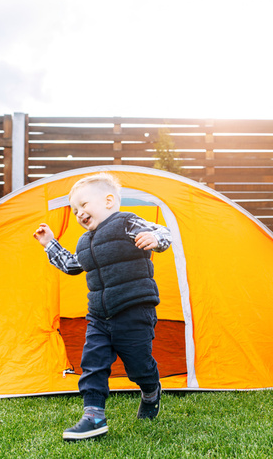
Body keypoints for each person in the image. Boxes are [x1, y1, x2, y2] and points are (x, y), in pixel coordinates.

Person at [33, 172, 172, 440]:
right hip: (98, 316)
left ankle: (151, 389)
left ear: (109, 201)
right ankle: (93, 415)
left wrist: (156, 240)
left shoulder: (126, 223)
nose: (79, 214)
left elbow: (161, 231)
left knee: (138, 366)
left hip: (133, 310)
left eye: (84, 205)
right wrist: (50, 244)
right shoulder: (85, 241)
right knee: (93, 363)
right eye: (74, 210)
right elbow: (74, 266)